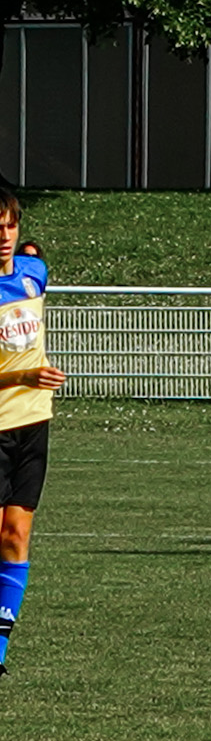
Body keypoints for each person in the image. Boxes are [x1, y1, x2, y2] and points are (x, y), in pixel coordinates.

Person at [0, 189, 63, 677]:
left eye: (9, 226)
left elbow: (36, 259)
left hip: (32, 422)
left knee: (17, 534)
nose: (3, 237)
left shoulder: (31, 276)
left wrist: (32, 252)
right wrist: (22, 376)